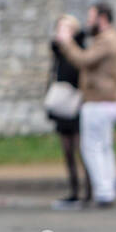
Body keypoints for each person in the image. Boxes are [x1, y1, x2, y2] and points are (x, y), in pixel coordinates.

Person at [55, 3, 116, 209]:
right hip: (102, 101)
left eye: (92, 17)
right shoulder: (107, 38)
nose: (88, 21)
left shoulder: (106, 40)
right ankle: (107, 190)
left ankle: (104, 192)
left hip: (98, 101)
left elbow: (84, 60)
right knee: (103, 148)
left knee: (92, 148)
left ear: (102, 18)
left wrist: (66, 42)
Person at [48, 14, 87, 209]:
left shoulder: (79, 47)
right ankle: (74, 190)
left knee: (81, 149)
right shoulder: (59, 51)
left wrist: (69, 44)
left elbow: (79, 68)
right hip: (63, 103)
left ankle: (89, 191)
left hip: (77, 103)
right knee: (67, 151)